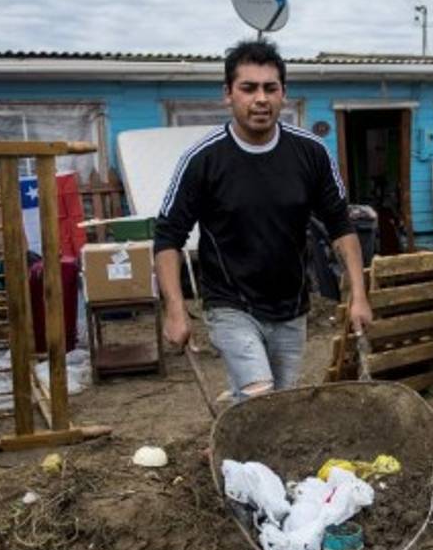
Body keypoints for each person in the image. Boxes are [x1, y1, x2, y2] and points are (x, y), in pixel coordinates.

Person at [153, 40, 372, 400]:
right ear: (228, 94)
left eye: (270, 88)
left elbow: (341, 226)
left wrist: (359, 296)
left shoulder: (311, 153)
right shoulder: (203, 160)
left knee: (279, 406)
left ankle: (233, 442)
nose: (261, 98)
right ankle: (242, 431)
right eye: (248, 88)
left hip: (291, 306)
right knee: (261, 394)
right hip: (230, 302)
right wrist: (175, 309)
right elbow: (168, 238)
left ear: (283, 94)